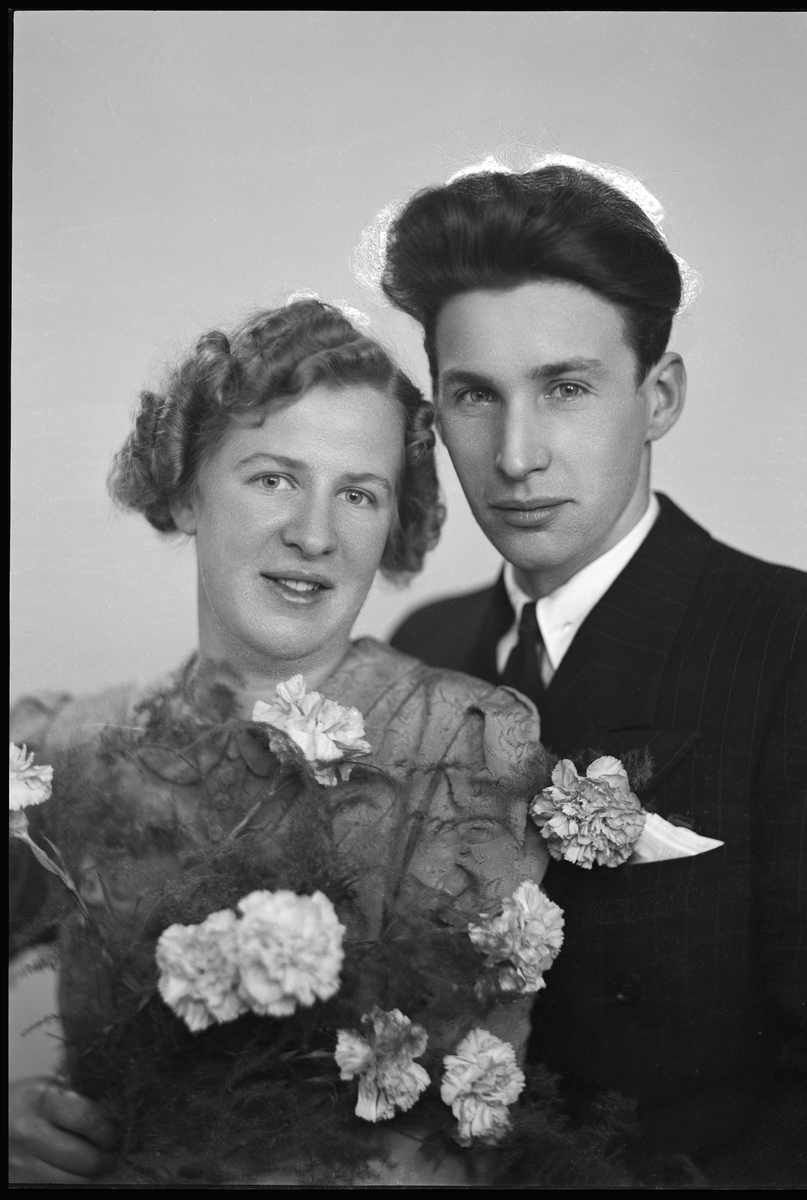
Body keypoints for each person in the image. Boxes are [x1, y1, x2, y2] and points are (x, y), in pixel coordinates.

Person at [9, 300, 550, 1185]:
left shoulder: (459, 748)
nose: (313, 534)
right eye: (273, 479)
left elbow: (465, 1130)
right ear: (185, 490)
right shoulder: (69, 752)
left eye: (358, 494)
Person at [383, 159, 807, 1187]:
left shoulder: (803, 644)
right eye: (474, 396)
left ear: (657, 395)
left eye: (566, 388)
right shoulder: (425, 648)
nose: (516, 455)